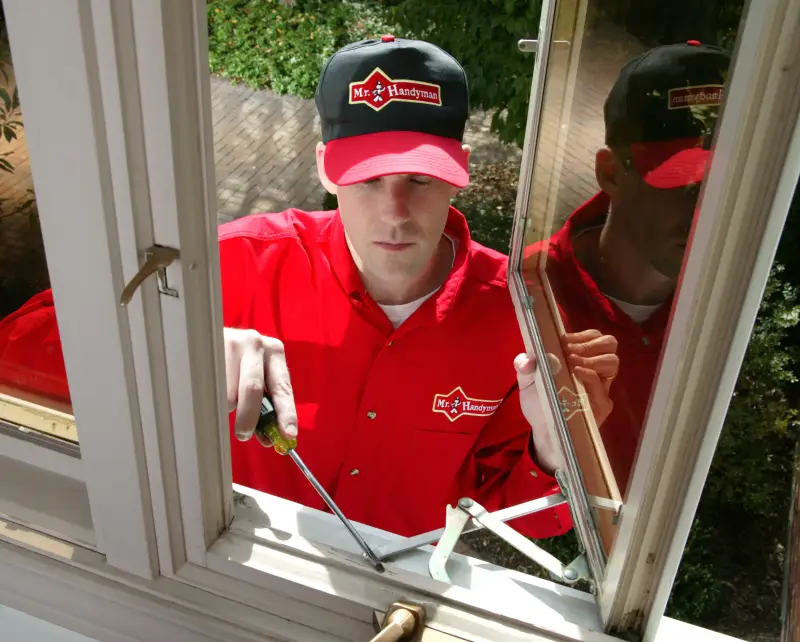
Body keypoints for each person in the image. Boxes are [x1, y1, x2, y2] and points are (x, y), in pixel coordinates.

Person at [0, 36, 619, 540]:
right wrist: (175, 348)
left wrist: (554, 447)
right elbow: (16, 352)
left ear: (458, 174)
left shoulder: (518, 316)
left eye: (419, 180)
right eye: (368, 179)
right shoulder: (236, 261)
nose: (396, 211)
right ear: (326, 167)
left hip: (394, 606)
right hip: (227, 569)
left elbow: (523, 519)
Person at [527, 40, 731, 493]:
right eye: (683, 182)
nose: (706, 211)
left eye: (729, 185)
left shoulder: (741, 300)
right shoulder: (528, 292)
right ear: (610, 173)